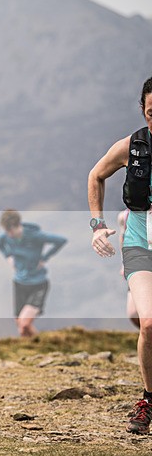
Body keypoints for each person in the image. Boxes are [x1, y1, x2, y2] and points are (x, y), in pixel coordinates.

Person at [88, 75, 152, 435]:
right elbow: (96, 175)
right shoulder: (131, 147)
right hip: (140, 242)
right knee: (148, 322)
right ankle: (148, 399)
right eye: (151, 112)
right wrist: (97, 225)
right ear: (144, 112)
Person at [0, 210, 67, 338]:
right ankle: (35, 352)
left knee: (24, 323)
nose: (8, 234)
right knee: (21, 326)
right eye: (6, 231)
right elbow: (0, 244)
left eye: (10, 231)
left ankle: (46, 347)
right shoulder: (6, 237)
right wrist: (8, 256)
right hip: (19, 283)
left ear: (17, 226)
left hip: (37, 284)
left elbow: (61, 240)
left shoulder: (35, 236)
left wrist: (45, 258)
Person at [118, 209, 141, 328]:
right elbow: (123, 238)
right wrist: (124, 263)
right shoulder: (124, 216)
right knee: (133, 313)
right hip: (136, 264)